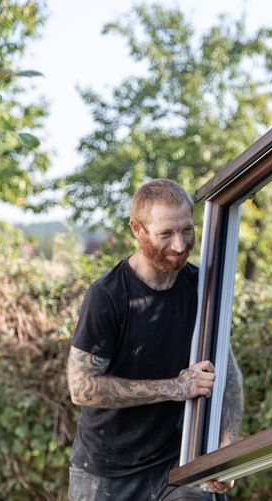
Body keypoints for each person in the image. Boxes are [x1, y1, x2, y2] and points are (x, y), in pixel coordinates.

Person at [67, 179, 243, 501]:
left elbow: (226, 373)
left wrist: (225, 448)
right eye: (166, 234)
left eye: (187, 230)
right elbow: (81, 387)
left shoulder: (201, 288)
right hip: (105, 472)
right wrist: (175, 388)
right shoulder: (108, 296)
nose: (179, 245)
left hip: (173, 464)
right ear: (138, 229)